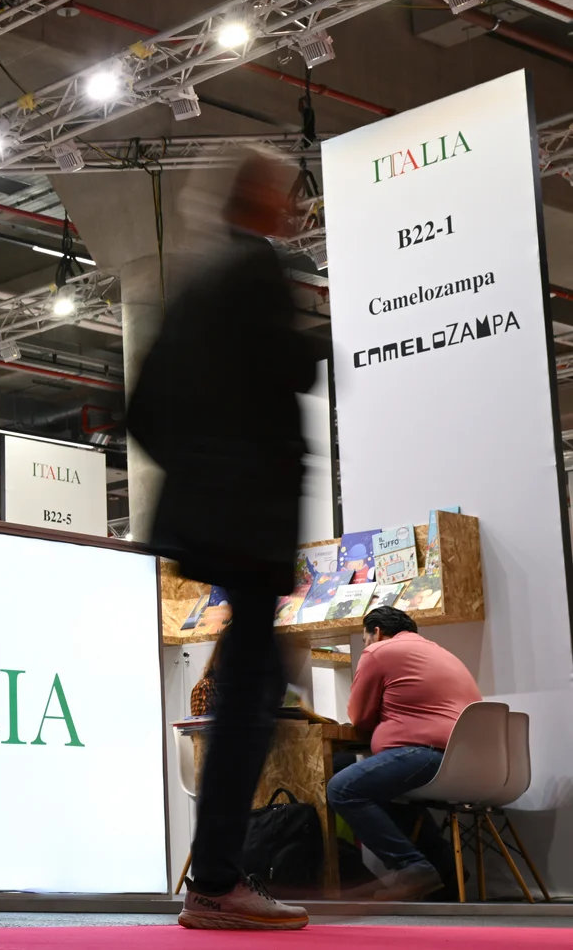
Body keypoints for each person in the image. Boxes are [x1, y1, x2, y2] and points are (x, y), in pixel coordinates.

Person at [127, 149, 323, 932]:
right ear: (264, 203)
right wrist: (314, 345)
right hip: (247, 520)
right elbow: (288, 377)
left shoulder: (193, 285)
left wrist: (197, 480)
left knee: (254, 679)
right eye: (288, 195)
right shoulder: (259, 275)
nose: (296, 208)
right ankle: (215, 879)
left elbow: (141, 410)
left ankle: (215, 876)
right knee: (254, 688)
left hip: (212, 517)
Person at [328, 606, 478, 901]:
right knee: (384, 790)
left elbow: (358, 717)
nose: (366, 646)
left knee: (342, 787)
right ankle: (444, 869)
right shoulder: (439, 652)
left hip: (426, 754)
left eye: (365, 639)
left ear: (377, 632)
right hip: (468, 760)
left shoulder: (379, 651)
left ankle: (410, 867)